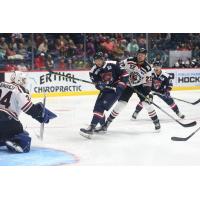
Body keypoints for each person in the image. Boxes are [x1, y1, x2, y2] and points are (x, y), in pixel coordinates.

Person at [97, 48, 161, 133]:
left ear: (145, 56)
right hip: (127, 85)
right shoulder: (129, 60)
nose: (140, 56)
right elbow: (118, 67)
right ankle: (106, 124)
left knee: (147, 103)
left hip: (140, 86)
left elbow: (148, 82)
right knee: (121, 104)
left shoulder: (148, 67)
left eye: (143, 54)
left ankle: (156, 122)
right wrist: (120, 79)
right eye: (139, 54)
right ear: (137, 54)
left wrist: (148, 94)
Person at [0, 71, 57, 153]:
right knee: (23, 135)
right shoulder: (20, 89)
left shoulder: (1, 84)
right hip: (7, 120)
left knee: (4, 132)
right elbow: (28, 108)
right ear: (18, 80)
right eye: (23, 80)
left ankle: (3, 139)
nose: (24, 82)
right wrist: (40, 116)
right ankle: (15, 142)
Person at [80, 52, 129, 139]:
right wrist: (99, 85)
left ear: (103, 59)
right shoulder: (93, 71)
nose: (98, 62)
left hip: (115, 90)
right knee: (97, 108)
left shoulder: (113, 64)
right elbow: (97, 84)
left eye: (99, 60)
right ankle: (103, 126)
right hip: (105, 90)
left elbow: (125, 74)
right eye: (96, 60)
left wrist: (121, 85)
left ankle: (92, 128)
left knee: (101, 107)